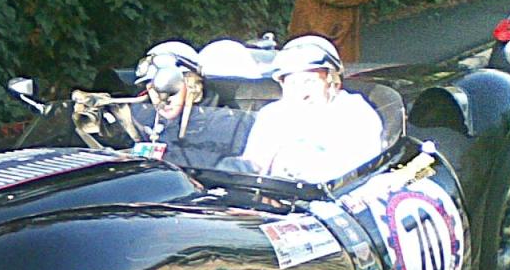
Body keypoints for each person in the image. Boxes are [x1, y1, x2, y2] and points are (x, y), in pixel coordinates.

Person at [240, 35, 384, 183]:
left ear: (332, 79)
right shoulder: (272, 114)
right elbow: (253, 165)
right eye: (293, 83)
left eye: (309, 81)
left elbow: (357, 176)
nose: (302, 93)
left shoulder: (355, 113)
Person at [127, 42, 255, 170]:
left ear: (194, 86)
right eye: (153, 89)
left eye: (170, 88)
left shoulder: (228, 123)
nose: (162, 99)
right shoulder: (145, 120)